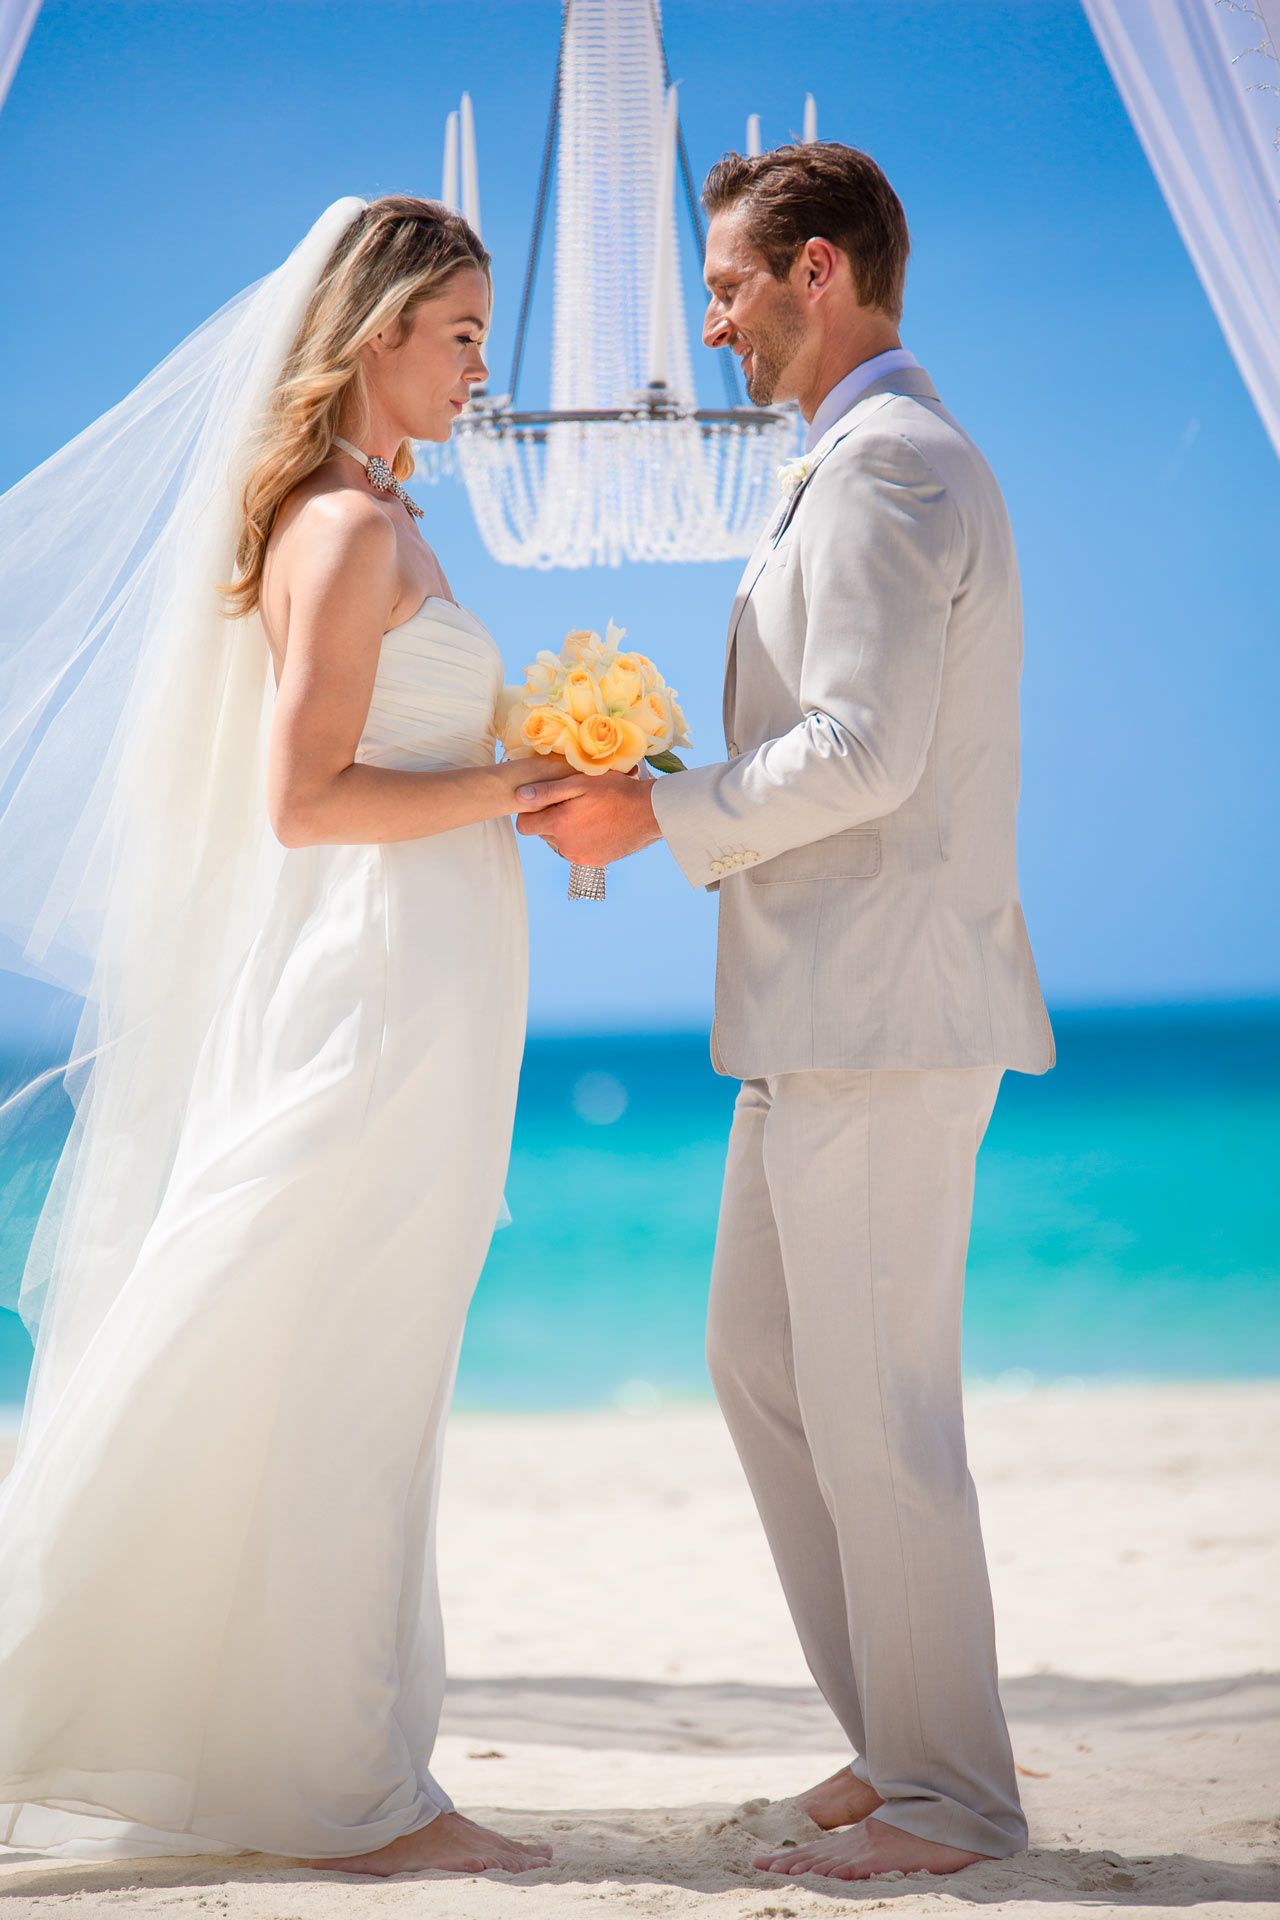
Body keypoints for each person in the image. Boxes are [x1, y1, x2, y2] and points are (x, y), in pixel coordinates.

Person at [0, 196, 572, 1874]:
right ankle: (354, 1801)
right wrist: (516, 780)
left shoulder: (377, 518)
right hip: (374, 995)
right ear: (377, 333)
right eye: (462, 334)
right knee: (324, 1359)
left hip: (423, 986)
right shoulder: (341, 530)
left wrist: (506, 784)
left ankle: (331, 1765)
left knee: (353, 1362)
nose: (485, 367)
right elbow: (306, 799)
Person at [516, 142, 1056, 1883]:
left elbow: (869, 752)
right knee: (758, 1365)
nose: (713, 322)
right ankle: (899, 1747)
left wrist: (659, 815)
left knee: (879, 1407)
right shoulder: (844, 464)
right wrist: (670, 785)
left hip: (887, 1016)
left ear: (821, 271)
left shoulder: (895, 466)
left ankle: (956, 1804)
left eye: (733, 284)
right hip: (811, 1015)